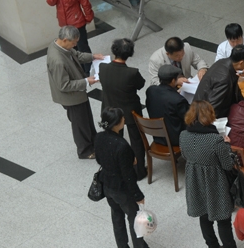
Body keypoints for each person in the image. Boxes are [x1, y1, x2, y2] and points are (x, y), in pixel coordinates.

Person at [180, 100, 244, 248]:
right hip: (214, 181)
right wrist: (227, 146)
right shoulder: (215, 140)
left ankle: (213, 247)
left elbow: (184, 156)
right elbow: (227, 165)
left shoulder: (183, 135)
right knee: (223, 218)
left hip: (195, 180)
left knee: (204, 215)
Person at [95, 107, 161, 248]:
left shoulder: (99, 137)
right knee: (134, 218)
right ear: (117, 123)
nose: (124, 119)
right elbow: (128, 176)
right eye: (122, 118)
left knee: (117, 217)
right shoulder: (122, 145)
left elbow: (98, 159)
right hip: (121, 189)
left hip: (107, 185)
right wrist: (138, 195)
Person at [46, 25, 103, 159]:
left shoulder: (61, 46)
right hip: (71, 97)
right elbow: (64, 85)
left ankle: (93, 142)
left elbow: (77, 55)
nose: (76, 45)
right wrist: (86, 81)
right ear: (65, 40)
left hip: (78, 93)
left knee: (87, 120)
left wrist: (93, 57)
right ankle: (85, 151)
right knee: (80, 124)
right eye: (74, 42)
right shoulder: (58, 61)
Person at [99, 38, 147, 179]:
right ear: (130, 53)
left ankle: (118, 168)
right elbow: (141, 84)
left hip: (110, 108)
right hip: (130, 111)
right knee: (136, 140)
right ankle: (139, 171)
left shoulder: (103, 68)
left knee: (115, 140)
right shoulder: (132, 73)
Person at [46, 0, 94, 73]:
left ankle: (88, 70)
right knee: (71, 49)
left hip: (77, 23)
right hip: (65, 25)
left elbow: (85, 3)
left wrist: (88, 17)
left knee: (82, 47)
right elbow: (50, 2)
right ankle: (80, 70)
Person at [195, 44, 244, 118]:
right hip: (204, 116)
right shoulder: (224, 79)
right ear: (241, 63)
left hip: (200, 105)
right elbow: (213, 106)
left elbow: (235, 88)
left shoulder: (223, 61)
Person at [145, 65, 189, 146]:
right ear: (173, 80)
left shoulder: (150, 91)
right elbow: (189, 118)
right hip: (176, 139)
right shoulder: (178, 100)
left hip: (158, 136)